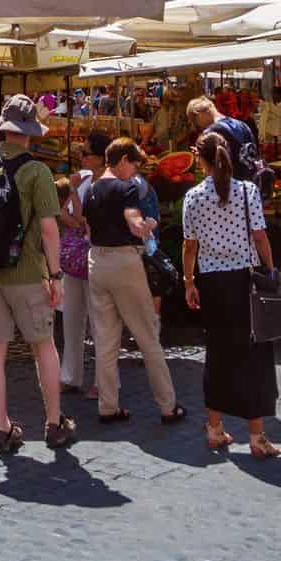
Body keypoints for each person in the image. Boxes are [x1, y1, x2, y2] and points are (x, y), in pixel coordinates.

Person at [0, 95, 75, 454]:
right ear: (30, 132)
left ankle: (2, 428)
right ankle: (54, 423)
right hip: (27, 274)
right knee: (44, 347)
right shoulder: (38, 172)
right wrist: (56, 276)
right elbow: (49, 229)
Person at [182, 130, 280, 458]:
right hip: (245, 281)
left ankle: (214, 428)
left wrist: (188, 281)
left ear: (201, 159)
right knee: (253, 356)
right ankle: (256, 436)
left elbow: (189, 245)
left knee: (218, 354)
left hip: (212, 283)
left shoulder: (193, 197)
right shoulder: (247, 190)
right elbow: (260, 236)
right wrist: (271, 269)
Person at [82, 137, 183, 425]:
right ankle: (168, 406)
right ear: (123, 160)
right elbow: (132, 218)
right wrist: (145, 225)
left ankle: (108, 406)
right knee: (148, 336)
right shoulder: (126, 188)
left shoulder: (92, 189)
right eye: (134, 163)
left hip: (97, 263)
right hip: (125, 262)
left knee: (105, 340)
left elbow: (87, 228)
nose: (135, 170)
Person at [53, 175, 94, 398]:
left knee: (98, 324)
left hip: (88, 260)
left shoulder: (95, 184)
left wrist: (73, 193)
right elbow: (67, 217)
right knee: (72, 320)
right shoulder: (82, 180)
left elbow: (77, 220)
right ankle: (70, 377)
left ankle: (100, 381)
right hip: (73, 263)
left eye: (87, 153)